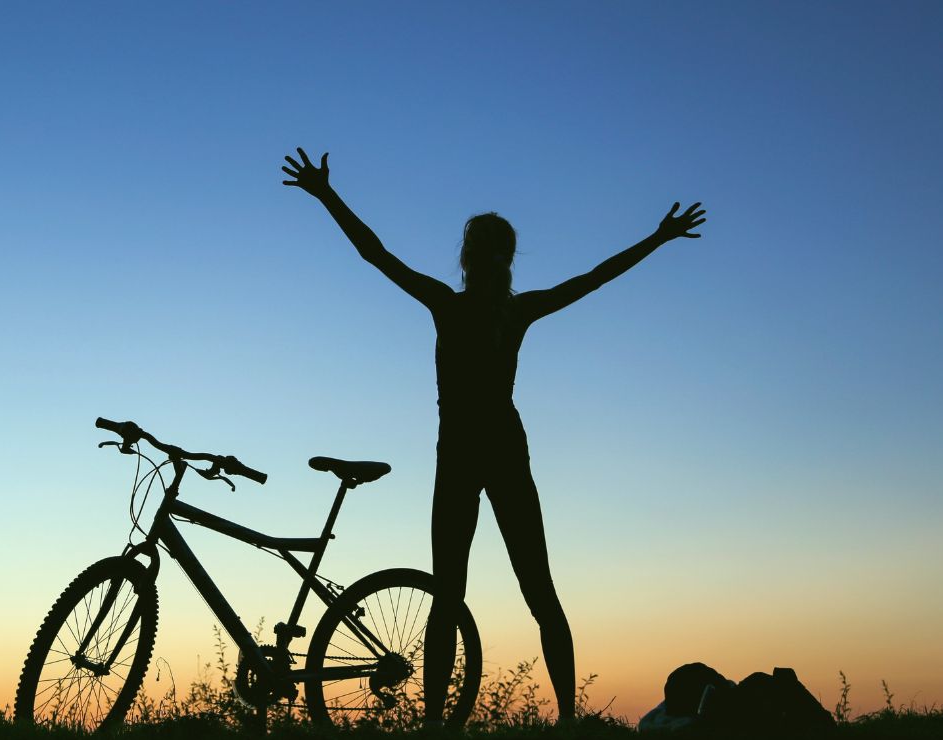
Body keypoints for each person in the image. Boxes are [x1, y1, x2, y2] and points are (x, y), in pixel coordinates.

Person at [281, 148, 706, 723]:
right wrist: (656, 239)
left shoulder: (452, 305)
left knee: (453, 596)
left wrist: (327, 195)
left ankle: (446, 724)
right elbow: (593, 279)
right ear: (506, 259)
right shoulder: (514, 310)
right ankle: (561, 720)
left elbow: (375, 255)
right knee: (533, 593)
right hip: (498, 449)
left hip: (466, 452)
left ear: (468, 257)